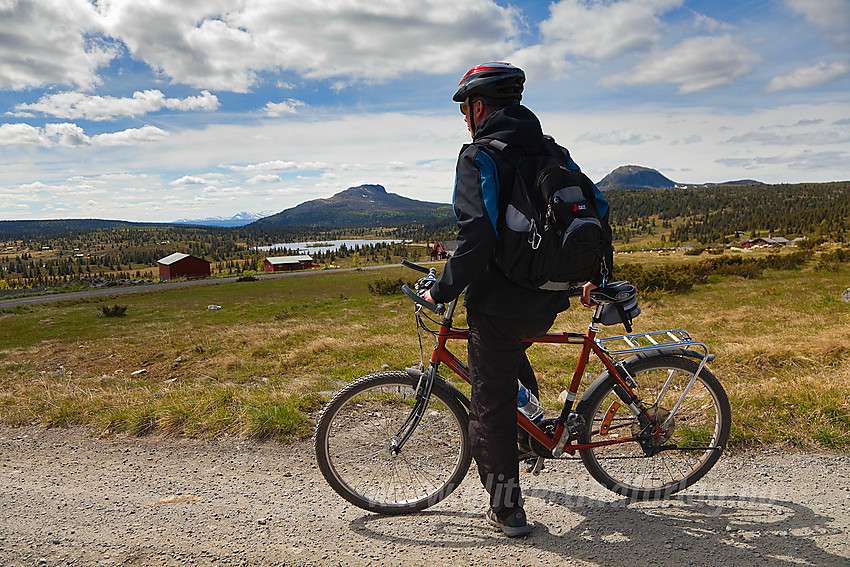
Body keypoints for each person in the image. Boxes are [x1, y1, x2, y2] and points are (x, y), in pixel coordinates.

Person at [423, 62, 612, 537]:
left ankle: (506, 510)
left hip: (500, 305)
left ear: (478, 107)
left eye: (466, 109)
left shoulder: (478, 156)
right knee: (509, 362)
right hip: (550, 297)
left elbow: (477, 237)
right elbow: (597, 211)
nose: (465, 118)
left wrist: (440, 287)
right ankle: (532, 437)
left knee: (488, 409)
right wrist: (596, 275)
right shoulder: (554, 151)